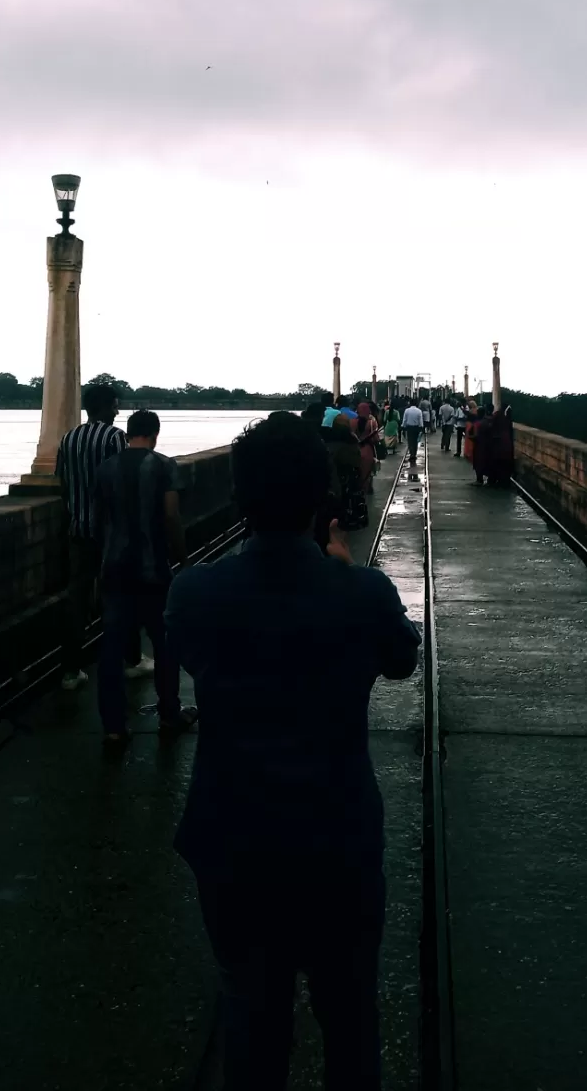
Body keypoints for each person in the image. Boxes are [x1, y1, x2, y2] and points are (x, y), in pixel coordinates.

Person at [165, 414, 421, 1090]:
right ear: (320, 498)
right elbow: (401, 662)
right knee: (349, 1015)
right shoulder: (361, 592)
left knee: (251, 1013)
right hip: (337, 841)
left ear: (239, 497)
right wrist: (341, 573)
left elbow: (189, 654)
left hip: (233, 841)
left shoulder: (194, 594)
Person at [92, 409, 198, 745]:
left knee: (111, 649)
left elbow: (100, 522)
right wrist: (182, 560)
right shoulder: (163, 466)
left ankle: (113, 727)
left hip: (114, 568)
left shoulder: (105, 469)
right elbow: (171, 515)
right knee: (165, 644)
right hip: (153, 570)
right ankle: (169, 714)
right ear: (154, 433)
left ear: (127, 433)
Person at [55, 382, 151, 690]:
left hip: (78, 529)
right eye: (114, 405)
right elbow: (127, 481)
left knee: (77, 598)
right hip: (113, 532)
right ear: (106, 407)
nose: (117, 411)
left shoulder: (68, 439)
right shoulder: (115, 438)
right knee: (123, 593)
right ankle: (131, 659)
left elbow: (63, 483)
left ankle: (71, 671)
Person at [486, 404, 516, 488]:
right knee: (504, 465)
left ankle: (494, 479)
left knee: (496, 463)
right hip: (506, 448)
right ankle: (503, 481)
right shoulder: (508, 420)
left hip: (497, 446)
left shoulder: (497, 416)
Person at [356, 402, 380, 493]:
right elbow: (376, 439)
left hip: (356, 449)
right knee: (369, 471)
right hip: (368, 449)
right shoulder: (371, 422)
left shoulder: (352, 422)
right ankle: (367, 488)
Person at [471, 406, 493, 486]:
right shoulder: (489, 422)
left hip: (479, 445)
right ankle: (490, 480)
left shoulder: (477, 423)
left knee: (478, 462)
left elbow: (474, 435)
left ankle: (479, 480)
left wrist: (470, 437)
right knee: (488, 462)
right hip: (488, 446)